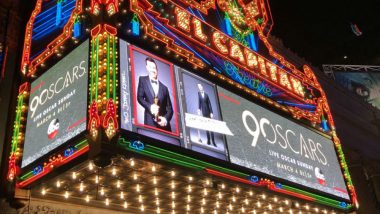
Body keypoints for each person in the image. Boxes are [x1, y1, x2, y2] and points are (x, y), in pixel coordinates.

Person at [137, 57, 173, 131]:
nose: (153, 70)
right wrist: (150, 107)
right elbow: (139, 97)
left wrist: (165, 119)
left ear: (157, 70)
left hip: (164, 126)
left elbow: (170, 109)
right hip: (149, 122)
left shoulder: (165, 88)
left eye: (154, 67)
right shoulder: (142, 80)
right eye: (150, 67)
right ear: (147, 68)